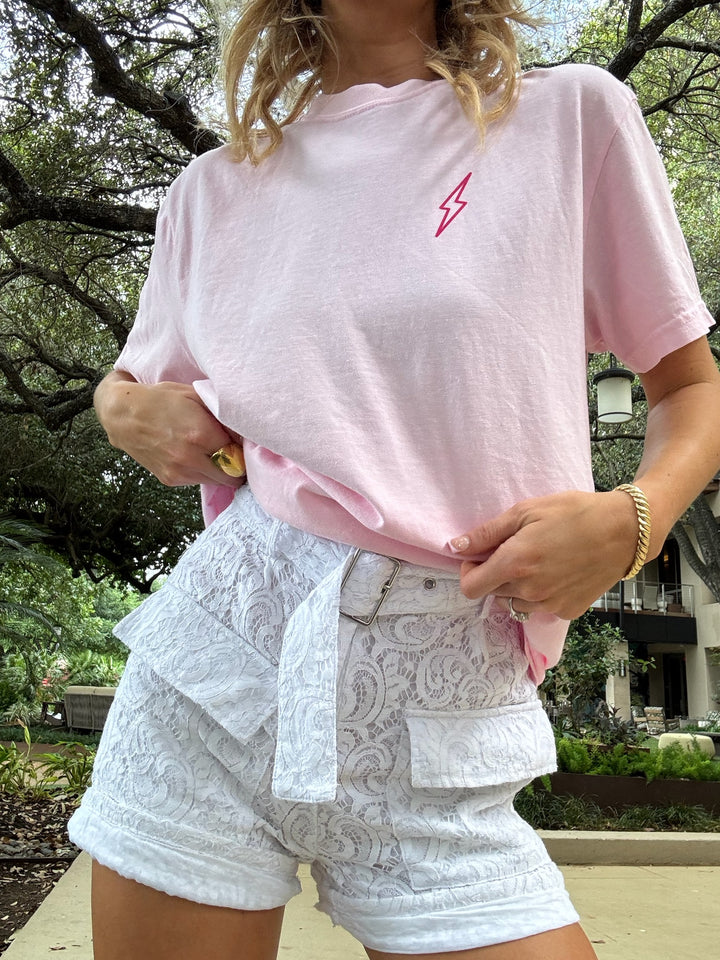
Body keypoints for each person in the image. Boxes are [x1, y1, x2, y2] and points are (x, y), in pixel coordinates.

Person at [68, 1, 720, 958]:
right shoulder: (207, 192)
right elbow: (133, 384)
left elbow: (691, 387)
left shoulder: (573, 118)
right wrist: (118, 408)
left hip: (445, 710)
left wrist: (634, 521)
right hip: (216, 677)